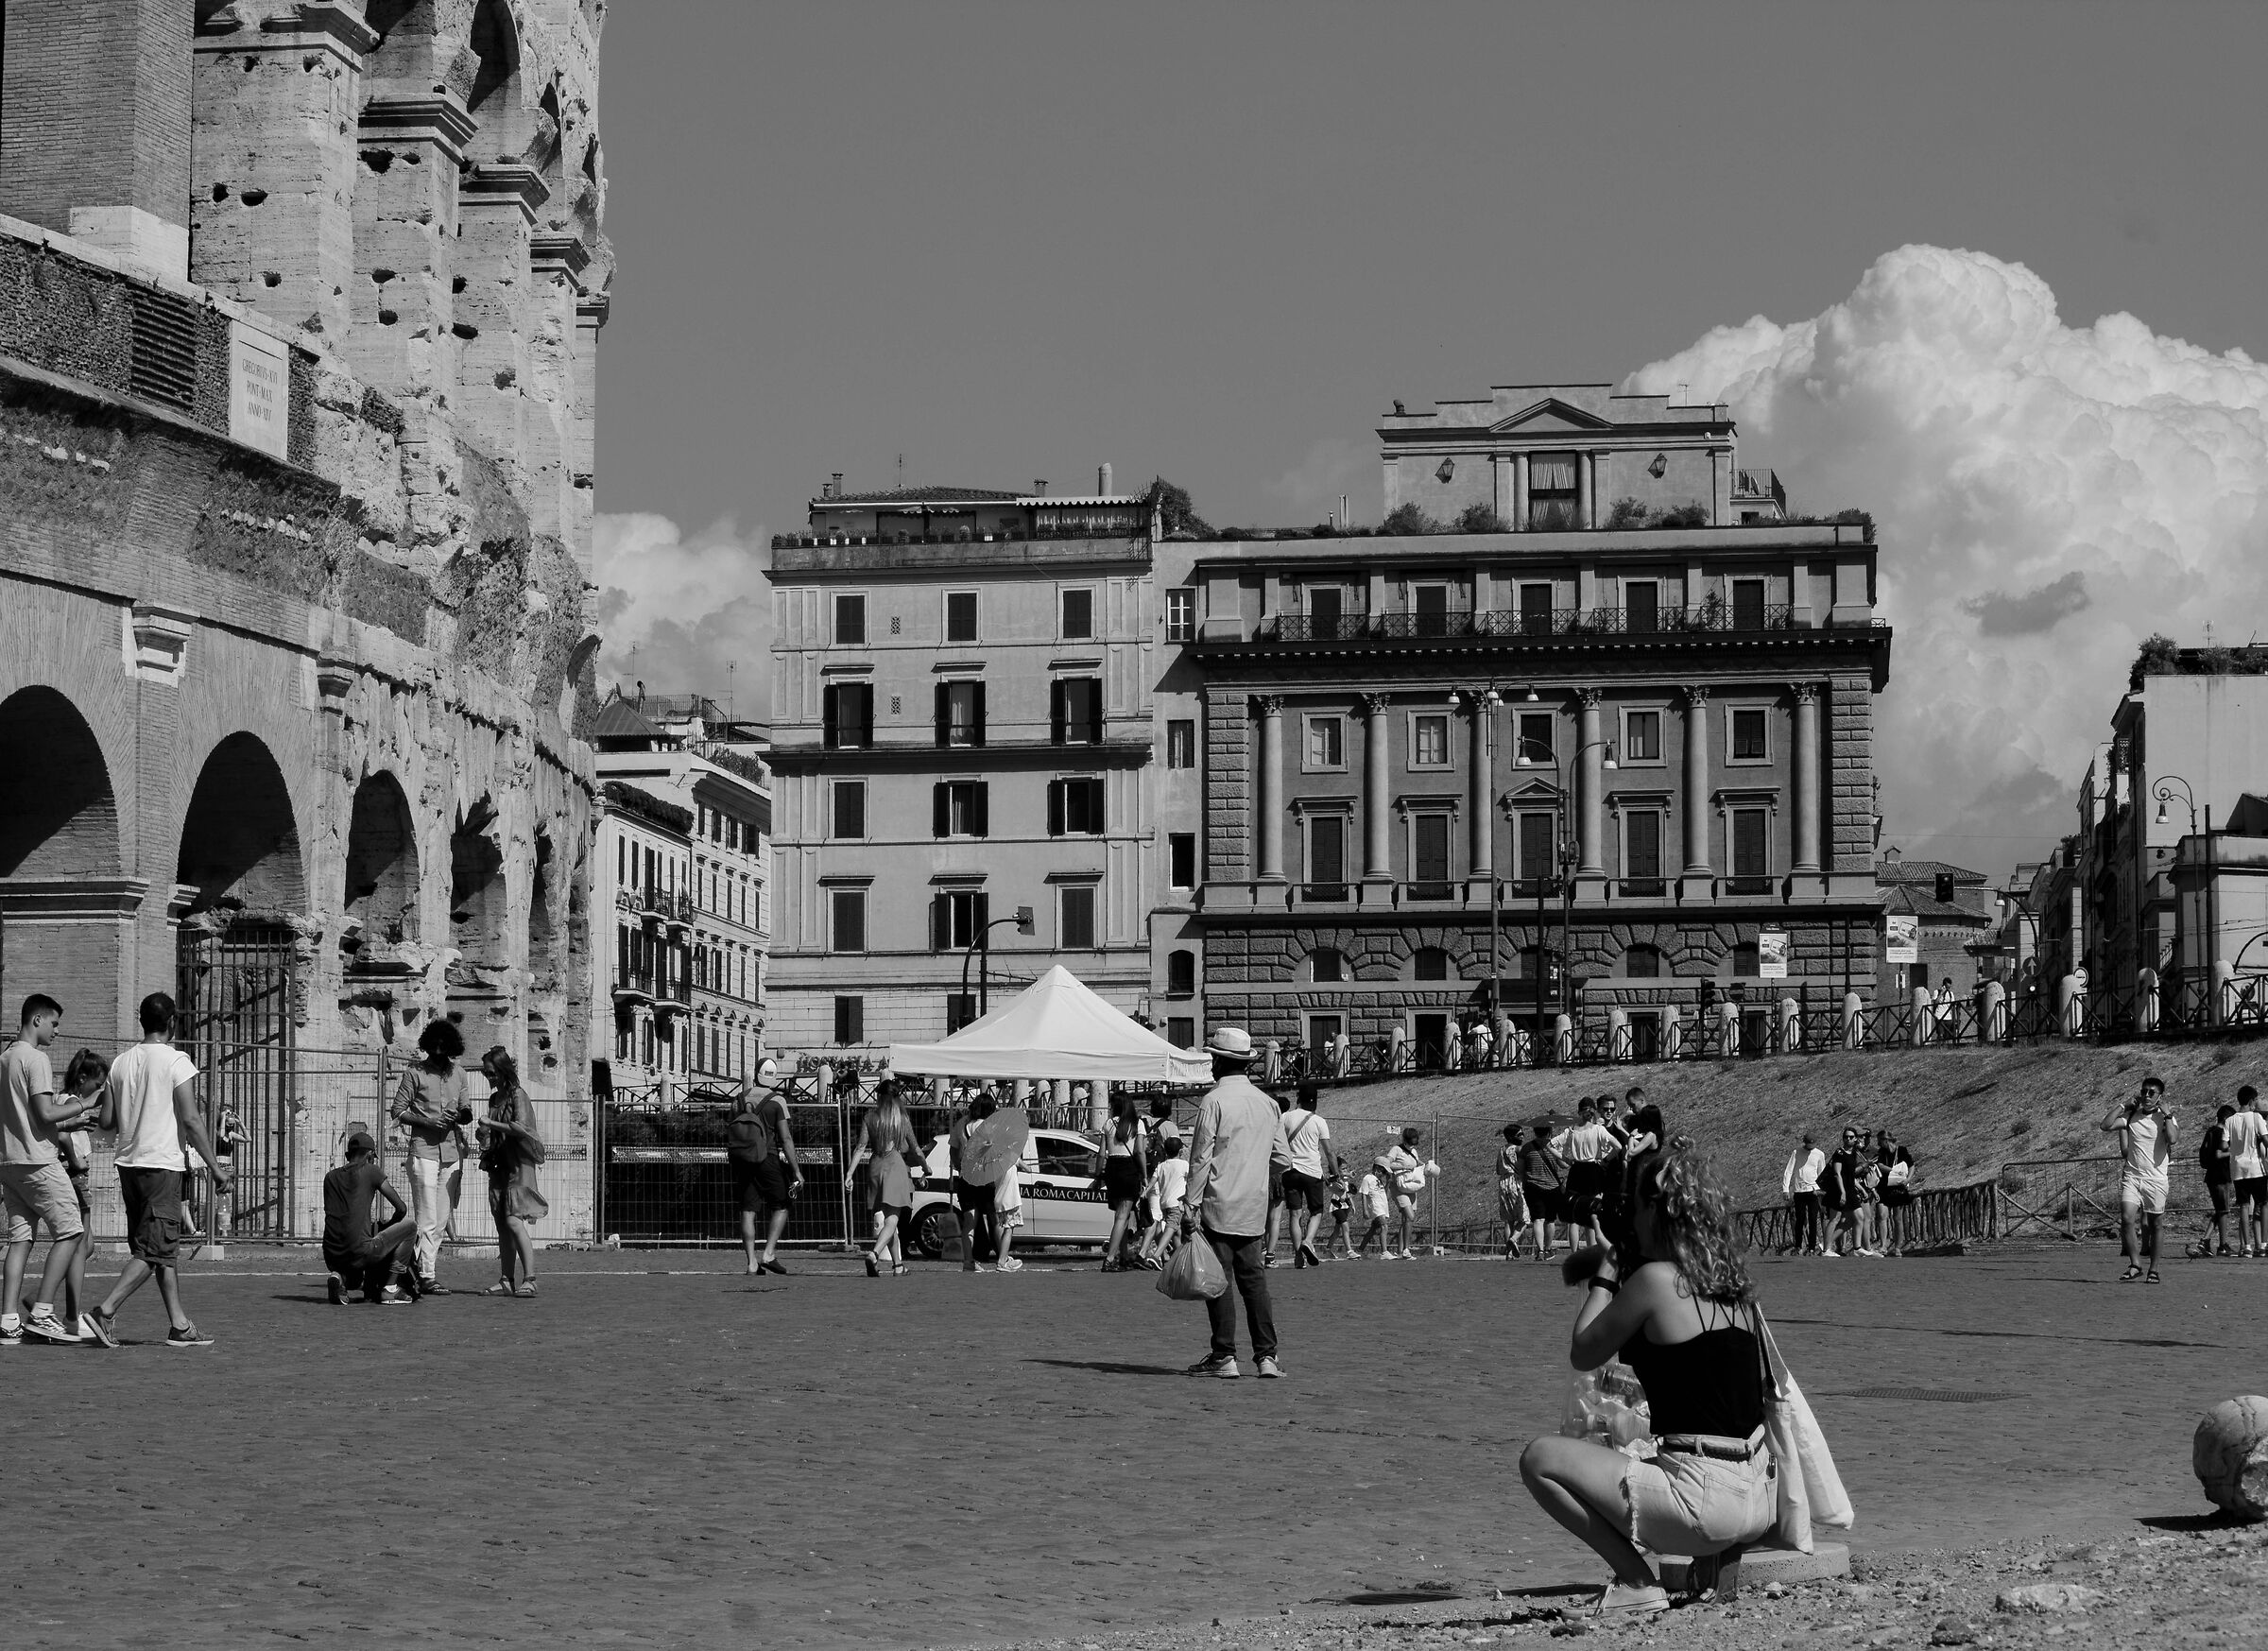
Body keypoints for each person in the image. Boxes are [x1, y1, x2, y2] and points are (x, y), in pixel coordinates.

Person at [1518, 1141, 1776, 1617]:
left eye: (1634, 1209)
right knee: (1707, 1417)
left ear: (1655, 1215)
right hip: (1760, 1498)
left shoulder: (1654, 1280)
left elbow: (1584, 1350)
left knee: (1540, 1458)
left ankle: (1638, 1582)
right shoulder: (1733, 1283)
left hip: (1703, 1503)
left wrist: (1609, 1272)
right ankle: (1718, 1568)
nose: (1630, 1220)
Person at [88, 992, 231, 1349]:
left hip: (129, 1164)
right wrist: (215, 1168)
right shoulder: (176, 1061)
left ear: (142, 1021)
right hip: (161, 1165)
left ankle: (180, 1325)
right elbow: (191, 1119)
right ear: (172, 1021)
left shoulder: (121, 1063)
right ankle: (105, 1311)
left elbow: (106, 1121)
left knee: (157, 1247)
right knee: (155, 1249)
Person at [1180, 1027, 1289, 1378]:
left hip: (1218, 1204)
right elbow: (1283, 1160)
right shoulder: (1267, 1103)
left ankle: (1224, 1355)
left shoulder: (1214, 1101)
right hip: (1253, 1207)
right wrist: (1255, 1169)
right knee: (1254, 1282)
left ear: (1221, 1061)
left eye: (1214, 1058)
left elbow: (1200, 1159)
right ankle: (1267, 1356)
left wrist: (1190, 1204)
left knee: (1220, 1280)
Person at [1, 995, 105, 1346]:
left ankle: (8, 1320)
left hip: (9, 1161)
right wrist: (85, 1103)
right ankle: (43, 1313)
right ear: (37, 1020)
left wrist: (73, 1122)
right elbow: (45, 1113)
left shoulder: (4, 1059)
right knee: (73, 1232)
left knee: (20, 1240)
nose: (57, 1031)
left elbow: (27, 1115)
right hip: (38, 1160)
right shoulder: (36, 1058)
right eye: (54, 1023)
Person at [389, 1018, 475, 1295]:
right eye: (433, 1048)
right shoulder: (414, 1072)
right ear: (427, 1047)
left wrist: (457, 1116)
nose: (437, 1054)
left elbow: (467, 1111)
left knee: (439, 1221)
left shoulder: (459, 1074)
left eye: (443, 1048)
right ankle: (424, 1275)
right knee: (425, 1219)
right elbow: (397, 1111)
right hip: (423, 1151)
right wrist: (427, 1122)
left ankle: (421, 1272)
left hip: (450, 1152)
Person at [474, 1048, 545, 1297]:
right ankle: (506, 1279)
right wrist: (483, 1132)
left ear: (504, 1071)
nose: (489, 1078)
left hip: (519, 1164)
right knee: (502, 1224)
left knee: (514, 1220)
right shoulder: (494, 1100)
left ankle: (530, 1278)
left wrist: (490, 1123)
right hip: (499, 1164)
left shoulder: (518, 1095)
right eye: (486, 1073)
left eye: (492, 1073)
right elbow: (490, 1133)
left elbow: (521, 1127)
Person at [320, 1132, 419, 1305]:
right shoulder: (371, 1171)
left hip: (332, 1254)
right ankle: (390, 1289)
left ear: (347, 1156)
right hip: (360, 1251)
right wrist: (390, 1225)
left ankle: (338, 1277)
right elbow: (401, 1208)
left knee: (355, 1279)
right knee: (410, 1226)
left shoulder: (330, 1177)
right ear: (370, 1155)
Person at [728, 1060, 801, 1275]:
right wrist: (796, 1171)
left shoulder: (739, 1099)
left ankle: (751, 1263)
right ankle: (768, 1253)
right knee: (782, 1205)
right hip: (767, 1158)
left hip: (743, 1159)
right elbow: (786, 1138)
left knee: (748, 1210)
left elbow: (732, 1127)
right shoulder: (777, 1101)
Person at [2102, 1076, 2175, 1283]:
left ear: (2160, 1096)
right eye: (2144, 1091)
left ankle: (2154, 1269)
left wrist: (2168, 1114)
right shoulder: (2132, 1115)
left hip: (2156, 1178)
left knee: (2156, 1225)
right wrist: (2122, 1105)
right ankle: (2135, 1264)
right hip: (2133, 1176)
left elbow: (2174, 1138)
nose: (2147, 1096)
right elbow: (2104, 1126)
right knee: (2126, 1219)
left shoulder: (2164, 1118)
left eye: (2152, 1092)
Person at [848, 1079, 921, 1278]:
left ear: (878, 1097)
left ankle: (898, 1265)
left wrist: (849, 1174)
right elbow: (914, 1147)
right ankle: (874, 1253)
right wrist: (925, 1166)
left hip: (875, 1165)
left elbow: (860, 1147)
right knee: (892, 1220)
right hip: (894, 1165)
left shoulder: (870, 1116)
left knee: (889, 1222)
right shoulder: (901, 1118)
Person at [1278, 1083, 1332, 1267]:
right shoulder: (1319, 1121)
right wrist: (1335, 1172)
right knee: (1316, 1211)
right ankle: (1308, 1241)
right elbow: (1329, 1152)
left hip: (1290, 1171)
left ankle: (1298, 1257)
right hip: (1311, 1171)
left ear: (1298, 1098)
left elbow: (1277, 1142)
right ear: (1315, 1101)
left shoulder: (1285, 1117)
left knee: (1295, 1214)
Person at [1095, 1091, 1149, 1272]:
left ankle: (1124, 1255)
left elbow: (1102, 1153)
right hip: (1128, 1168)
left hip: (1112, 1168)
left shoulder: (1108, 1124)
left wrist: (1097, 1175)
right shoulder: (1137, 1124)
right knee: (1122, 1215)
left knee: (1121, 1214)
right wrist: (1144, 1174)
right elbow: (1140, 1152)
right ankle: (1110, 1258)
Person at [1552, 1101, 1616, 1247]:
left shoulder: (1572, 1130)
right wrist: (1605, 1160)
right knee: (1592, 1210)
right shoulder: (1598, 1129)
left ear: (1579, 1112)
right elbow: (1617, 1146)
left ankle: (1574, 1251)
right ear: (1593, 1112)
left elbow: (1550, 1145)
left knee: (1573, 1213)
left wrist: (1565, 1158)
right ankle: (1592, 1248)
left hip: (1576, 1169)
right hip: (1593, 1169)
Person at [951, 1092, 996, 1272]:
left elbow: (954, 1150)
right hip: (983, 1178)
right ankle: (1002, 1256)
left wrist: (959, 1167)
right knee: (994, 1217)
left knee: (969, 1221)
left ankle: (968, 1261)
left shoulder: (962, 1124)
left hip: (965, 1178)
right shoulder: (988, 1126)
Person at [1381, 1126, 1436, 1259]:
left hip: (1411, 1187)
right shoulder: (1396, 1149)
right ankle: (1406, 1249)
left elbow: (1417, 1163)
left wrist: (1427, 1167)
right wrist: (1403, 1166)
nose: (1413, 1143)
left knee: (1407, 1220)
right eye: (1412, 1140)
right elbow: (1386, 1164)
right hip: (1399, 1187)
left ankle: (1401, 1251)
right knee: (1410, 1216)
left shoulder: (1414, 1151)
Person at [2225, 1086, 2267, 1258]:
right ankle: (2263, 1244)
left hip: (2237, 1168)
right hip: (2255, 1167)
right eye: (2256, 1100)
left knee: (2243, 1206)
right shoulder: (2256, 1117)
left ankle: (2247, 1246)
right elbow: (2265, 1139)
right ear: (2251, 1100)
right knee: (2263, 1203)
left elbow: (2223, 1144)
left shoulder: (2229, 1120)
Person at [989, 1088, 1028, 1275]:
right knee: (1009, 1229)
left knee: (1006, 1228)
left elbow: (1020, 1162)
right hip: (1009, 1199)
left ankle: (1004, 1258)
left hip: (1001, 1198)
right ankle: (1001, 1260)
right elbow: (1023, 1164)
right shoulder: (1010, 1153)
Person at [1518, 1120, 1567, 1260]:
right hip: (1553, 1187)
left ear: (1535, 1131)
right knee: (1550, 1220)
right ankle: (1548, 1249)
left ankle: (1539, 1251)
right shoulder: (1554, 1146)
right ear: (1549, 1131)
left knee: (1538, 1220)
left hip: (1533, 1187)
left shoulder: (1526, 1148)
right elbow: (1563, 1165)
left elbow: (1520, 1170)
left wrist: (1525, 1182)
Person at [1137, 1136, 1188, 1268]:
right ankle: (1156, 1255)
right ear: (1180, 1150)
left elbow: (1152, 1182)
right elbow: (1192, 1180)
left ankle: (1180, 1262)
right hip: (1177, 1203)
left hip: (1164, 1204)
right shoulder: (1184, 1165)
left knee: (1177, 1233)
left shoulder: (1161, 1166)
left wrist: (1144, 1193)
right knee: (1171, 1227)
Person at [2195, 1103, 2238, 1259]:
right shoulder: (2221, 1133)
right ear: (2227, 1119)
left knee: (2220, 1210)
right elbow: (2219, 1155)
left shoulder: (2210, 1131)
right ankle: (2223, 1245)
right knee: (2224, 1211)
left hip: (2212, 1175)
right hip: (2221, 1176)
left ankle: (2205, 1240)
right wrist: (2233, 1152)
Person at [1821, 1126, 1864, 1258]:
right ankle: (1826, 1250)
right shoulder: (1839, 1152)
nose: (1848, 1139)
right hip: (1838, 1190)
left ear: (1855, 1138)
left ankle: (1857, 1248)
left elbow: (1850, 1175)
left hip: (1849, 1188)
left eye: (1851, 1137)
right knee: (1835, 1218)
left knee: (1857, 1217)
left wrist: (1861, 1189)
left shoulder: (1854, 1152)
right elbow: (1837, 1174)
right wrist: (1843, 1193)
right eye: (1846, 1137)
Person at [1876, 1130, 1916, 1256]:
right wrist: (1894, 1171)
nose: (1878, 1144)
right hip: (1884, 1187)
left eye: (1880, 1141)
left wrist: (1908, 1179)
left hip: (1898, 1187)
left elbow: (1911, 1165)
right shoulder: (1882, 1153)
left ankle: (1898, 1247)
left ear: (1886, 1140)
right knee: (1882, 1215)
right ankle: (1883, 1245)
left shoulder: (1902, 1150)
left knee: (1897, 1218)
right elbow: (1880, 1165)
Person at [1787, 1133, 1826, 1256]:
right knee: (1800, 1219)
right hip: (1799, 1190)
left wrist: (1821, 1190)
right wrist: (1785, 1189)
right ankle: (1798, 1246)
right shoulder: (1796, 1152)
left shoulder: (1819, 1154)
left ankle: (1812, 1247)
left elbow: (1822, 1173)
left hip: (1813, 1190)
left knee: (1813, 1219)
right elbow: (1789, 1171)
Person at [1497, 1125, 1528, 1259]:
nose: (1522, 1136)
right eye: (1519, 1134)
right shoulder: (1519, 1149)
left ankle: (1509, 1253)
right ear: (1511, 1136)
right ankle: (1514, 1239)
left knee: (1508, 1220)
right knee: (1525, 1218)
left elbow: (1498, 1170)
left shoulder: (1501, 1149)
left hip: (1503, 1183)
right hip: (1516, 1182)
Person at [1353, 1161, 1390, 1258]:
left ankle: (1360, 1249)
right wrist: (1365, 1209)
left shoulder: (1379, 1180)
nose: (1384, 1175)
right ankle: (1384, 1252)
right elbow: (1364, 1194)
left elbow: (1384, 1192)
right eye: (1384, 1172)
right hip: (1375, 1206)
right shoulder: (1367, 1178)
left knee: (1373, 1229)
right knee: (1384, 1226)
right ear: (1377, 1169)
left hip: (1382, 1206)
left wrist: (1388, 1183)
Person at [1326, 1153, 1356, 1259]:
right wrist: (1346, 1174)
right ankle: (1349, 1251)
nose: (1346, 1171)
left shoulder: (1345, 1180)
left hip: (1345, 1205)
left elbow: (1347, 1193)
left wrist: (1352, 1204)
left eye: (1346, 1168)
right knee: (1345, 1226)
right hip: (1336, 1205)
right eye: (1343, 1169)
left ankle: (1328, 1249)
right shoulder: (1333, 1179)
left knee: (1337, 1230)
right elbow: (1331, 1179)